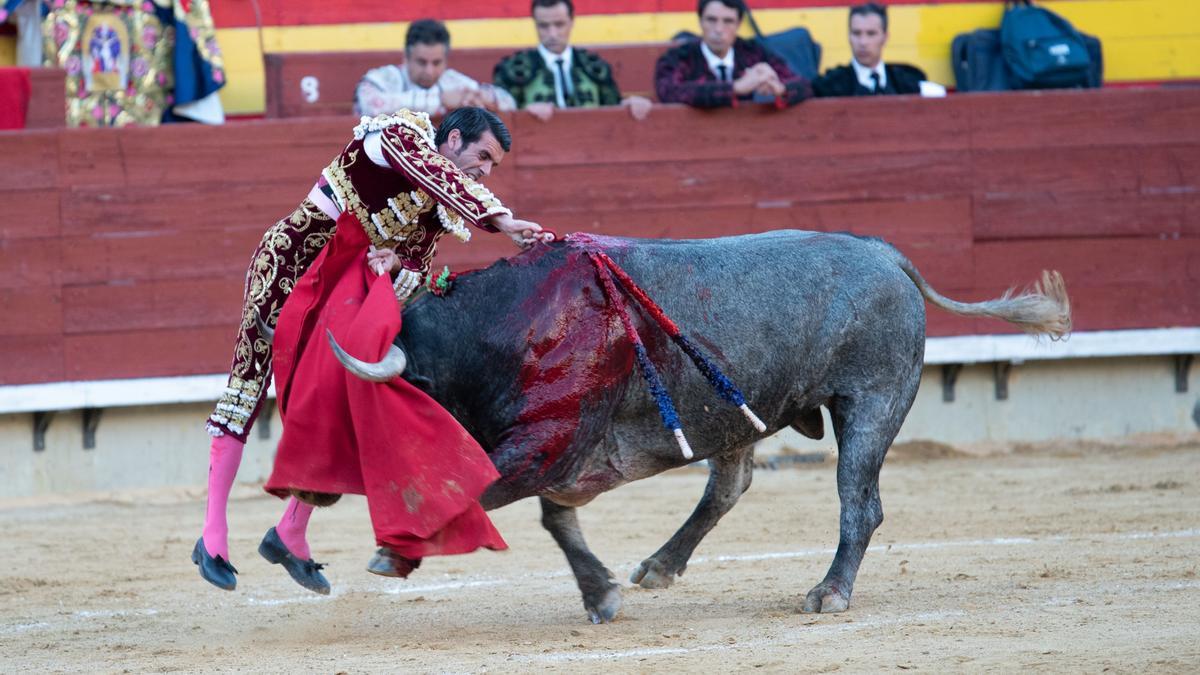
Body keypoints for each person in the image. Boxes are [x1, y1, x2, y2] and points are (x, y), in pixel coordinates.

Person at [197, 107, 549, 594]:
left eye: (494, 166)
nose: (486, 171)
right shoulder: (397, 137)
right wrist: (503, 220)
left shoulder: (440, 206)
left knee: (344, 400)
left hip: (342, 295)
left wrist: (392, 263)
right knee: (247, 387)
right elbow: (429, 170)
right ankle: (212, 535)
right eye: (483, 156)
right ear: (451, 139)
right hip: (290, 267)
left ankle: (290, 531)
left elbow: (416, 271)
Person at [492, 0, 652, 121]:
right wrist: (523, 112)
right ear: (535, 24)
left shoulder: (595, 66)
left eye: (559, 24)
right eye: (544, 26)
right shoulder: (512, 68)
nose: (552, 33)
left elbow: (612, 108)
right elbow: (500, 113)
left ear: (572, 21)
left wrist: (627, 105)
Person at [654, 0, 811, 109]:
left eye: (728, 21)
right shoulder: (679, 57)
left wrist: (781, 89)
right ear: (700, 21)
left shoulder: (753, 52)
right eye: (711, 20)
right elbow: (669, 91)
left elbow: (804, 85)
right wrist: (735, 88)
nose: (719, 29)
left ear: (738, 24)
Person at [354, 19, 516, 117]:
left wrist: (486, 97)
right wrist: (440, 100)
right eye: (422, 62)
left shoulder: (452, 80)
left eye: (437, 63)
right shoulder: (381, 79)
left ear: (446, 60)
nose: (429, 71)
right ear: (406, 57)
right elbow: (370, 106)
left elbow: (508, 102)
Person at [811, 3, 945, 98]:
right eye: (857, 33)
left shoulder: (906, 80)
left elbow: (939, 94)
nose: (863, 42)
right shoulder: (830, 85)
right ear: (849, 36)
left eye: (871, 34)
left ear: (885, 37)